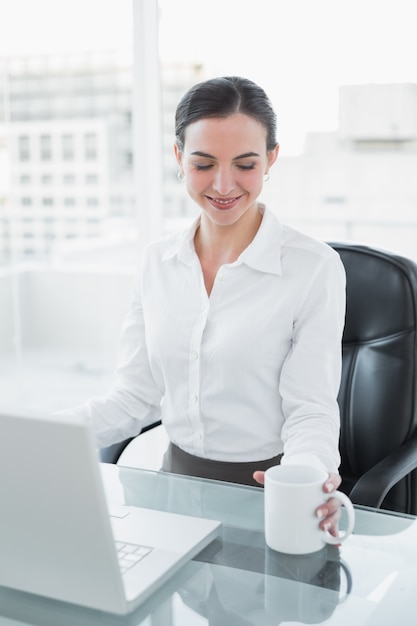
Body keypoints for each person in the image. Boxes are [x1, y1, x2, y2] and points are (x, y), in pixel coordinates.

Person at [70, 76, 346, 534]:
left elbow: (311, 409)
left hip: (268, 491)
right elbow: (135, 396)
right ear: (179, 158)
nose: (223, 184)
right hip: (169, 491)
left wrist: (306, 477)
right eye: (203, 164)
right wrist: (34, 435)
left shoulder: (314, 269)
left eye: (245, 164)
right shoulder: (157, 262)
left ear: (271, 159)